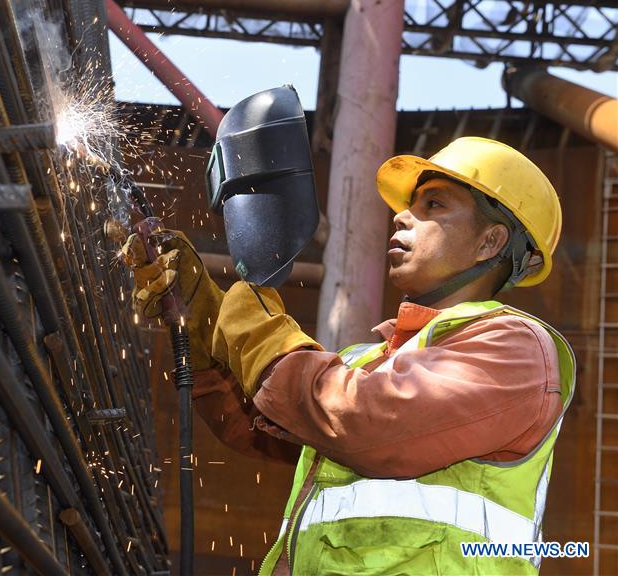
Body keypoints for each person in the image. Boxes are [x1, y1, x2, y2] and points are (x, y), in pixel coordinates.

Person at [121, 137, 575, 575]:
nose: (401, 217)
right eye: (407, 205)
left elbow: (365, 422)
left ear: (491, 242)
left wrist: (260, 332)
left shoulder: (513, 348)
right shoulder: (368, 360)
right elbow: (257, 424)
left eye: (432, 205)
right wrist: (204, 321)